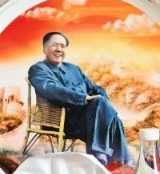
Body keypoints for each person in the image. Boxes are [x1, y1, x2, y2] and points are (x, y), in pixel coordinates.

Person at [27, 31, 133, 167]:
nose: (59, 49)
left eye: (62, 46)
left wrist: (104, 98)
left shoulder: (74, 69)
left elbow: (92, 87)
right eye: (54, 45)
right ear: (44, 49)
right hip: (64, 120)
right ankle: (118, 160)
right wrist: (84, 98)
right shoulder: (38, 69)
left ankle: (110, 159)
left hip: (88, 119)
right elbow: (51, 90)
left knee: (107, 110)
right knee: (105, 110)